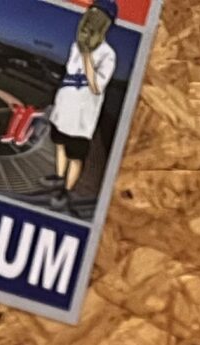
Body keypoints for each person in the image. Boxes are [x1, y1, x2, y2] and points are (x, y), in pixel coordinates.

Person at [49, 2, 116, 206]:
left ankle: (66, 190)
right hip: (64, 108)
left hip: (81, 118)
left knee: (75, 156)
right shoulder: (75, 46)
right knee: (59, 144)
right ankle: (58, 179)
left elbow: (96, 86)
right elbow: (70, 72)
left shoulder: (107, 54)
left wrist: (87, 56)